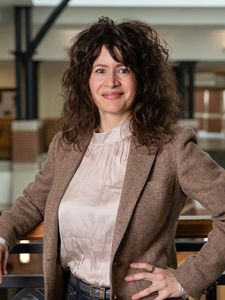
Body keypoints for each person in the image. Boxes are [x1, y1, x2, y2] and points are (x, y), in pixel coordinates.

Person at [0, 16, 225, 300]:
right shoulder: (67, 145)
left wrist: (185, 280)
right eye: (100, 70)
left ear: (142, 78)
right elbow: (33, 202)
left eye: (124, 69)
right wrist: (2, 236)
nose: (111, 82)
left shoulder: (172, 147)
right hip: (71, 292)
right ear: (86, 81)